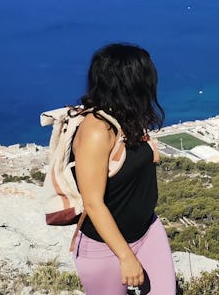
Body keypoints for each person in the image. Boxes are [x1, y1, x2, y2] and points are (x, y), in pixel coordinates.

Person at [71, 43, 175, 294]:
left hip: (148, 231)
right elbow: (93, 203)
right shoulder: (96, 130)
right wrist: (126, 257)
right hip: (104, 247)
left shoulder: (128, 116)